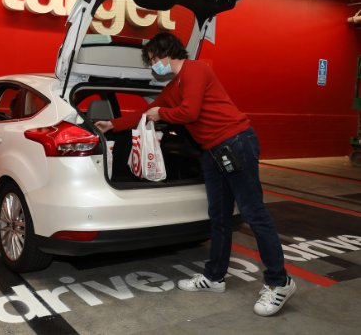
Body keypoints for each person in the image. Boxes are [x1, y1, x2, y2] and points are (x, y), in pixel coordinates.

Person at [94, 32, 296, 317]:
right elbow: (147, 111)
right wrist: (111, 125)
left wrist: (162, 113)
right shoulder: (174, 84)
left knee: (254, 213)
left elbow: (189, 112)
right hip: (212, 151)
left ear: (165, 53)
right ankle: (214, 278)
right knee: (219, 216)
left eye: (153, 60)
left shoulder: (196, 70)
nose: (154, 66)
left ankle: (280, 282)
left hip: (235, 141)